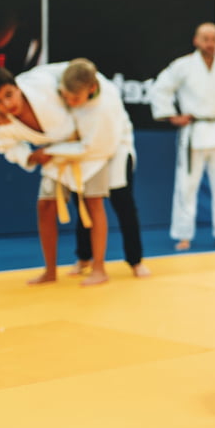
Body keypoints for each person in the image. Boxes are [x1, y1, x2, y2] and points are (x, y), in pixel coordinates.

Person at [0, 61, 125, 286]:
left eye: (9, 95)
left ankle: (99, 268)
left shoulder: (40, 81)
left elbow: (78, 71)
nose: (7, 104)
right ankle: (50, 271)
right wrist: (30, 157)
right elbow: (7, 148)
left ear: (17, 86)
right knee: (45, 206)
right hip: (54, 155)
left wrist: (93, 92)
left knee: (93, 202)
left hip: (88, 145)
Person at [150, 23, 215, 251]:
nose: (210, 43)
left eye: (214, 39)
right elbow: (161, 88)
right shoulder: (183, 66)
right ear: (196, 41)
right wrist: (171, 115)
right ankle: (183, 235)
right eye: (205, 38)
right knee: (186, 186)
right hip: (194, 132)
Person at [65, 62, 150, 279]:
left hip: (115, 151)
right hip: (86, 150)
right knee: (84, 203)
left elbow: (103, 143)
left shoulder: (106, 103)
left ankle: (135, 261)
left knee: (123, 203)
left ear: (91, 89)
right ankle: (84, 256)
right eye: (68, 97)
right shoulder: (74, 86)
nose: (71, 102)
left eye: (76, 98)